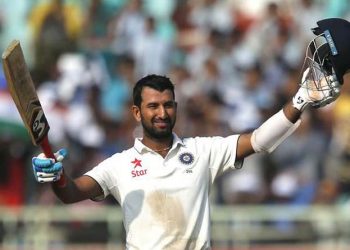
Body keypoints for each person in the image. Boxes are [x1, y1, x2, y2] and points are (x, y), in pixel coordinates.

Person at [32, 18, 350, 249]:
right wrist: (56, 176)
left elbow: (258, 141)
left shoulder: (201, 152)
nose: (162, 113)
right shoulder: (119, 165)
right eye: (153, 106)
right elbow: (71, 193)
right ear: (136, 112)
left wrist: (300, 100)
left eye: (168, 105)